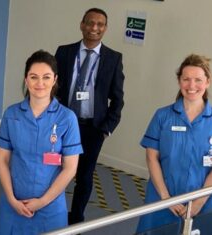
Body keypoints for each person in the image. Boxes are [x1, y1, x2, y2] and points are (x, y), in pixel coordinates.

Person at [135, 54, 212, 233]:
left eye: (198, 80)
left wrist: (198, 202)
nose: (191, 86)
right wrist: (166, 198)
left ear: (208, 82)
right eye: (186, 79)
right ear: (179, 81)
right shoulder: (162, 116)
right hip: (162, 198)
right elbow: (152, 158)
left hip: (202, 202)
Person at [0, 50, 82, 234]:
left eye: (46, 77)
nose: (40, 83)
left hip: (50, 208)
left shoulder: (67, 118)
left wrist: (42, 202)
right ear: (26, 80)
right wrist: (11, 199)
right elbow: (2, 160)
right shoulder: (11, 114)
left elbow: (70, 168)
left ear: (55, 79)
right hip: (14, 204)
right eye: (33, 77)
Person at [54, 7, 126, 225]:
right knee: (54, 170)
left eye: (100, 24)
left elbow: (118, 99)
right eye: (90, 23)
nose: (94, 28)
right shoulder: (64, 52)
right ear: (82, 25)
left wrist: (105, 129)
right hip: (63, 125)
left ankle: (76, 219)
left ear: (105, 28)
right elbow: (53, 89)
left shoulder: (113, 58)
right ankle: (51, 213)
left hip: (92, 129)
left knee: (84, 177)